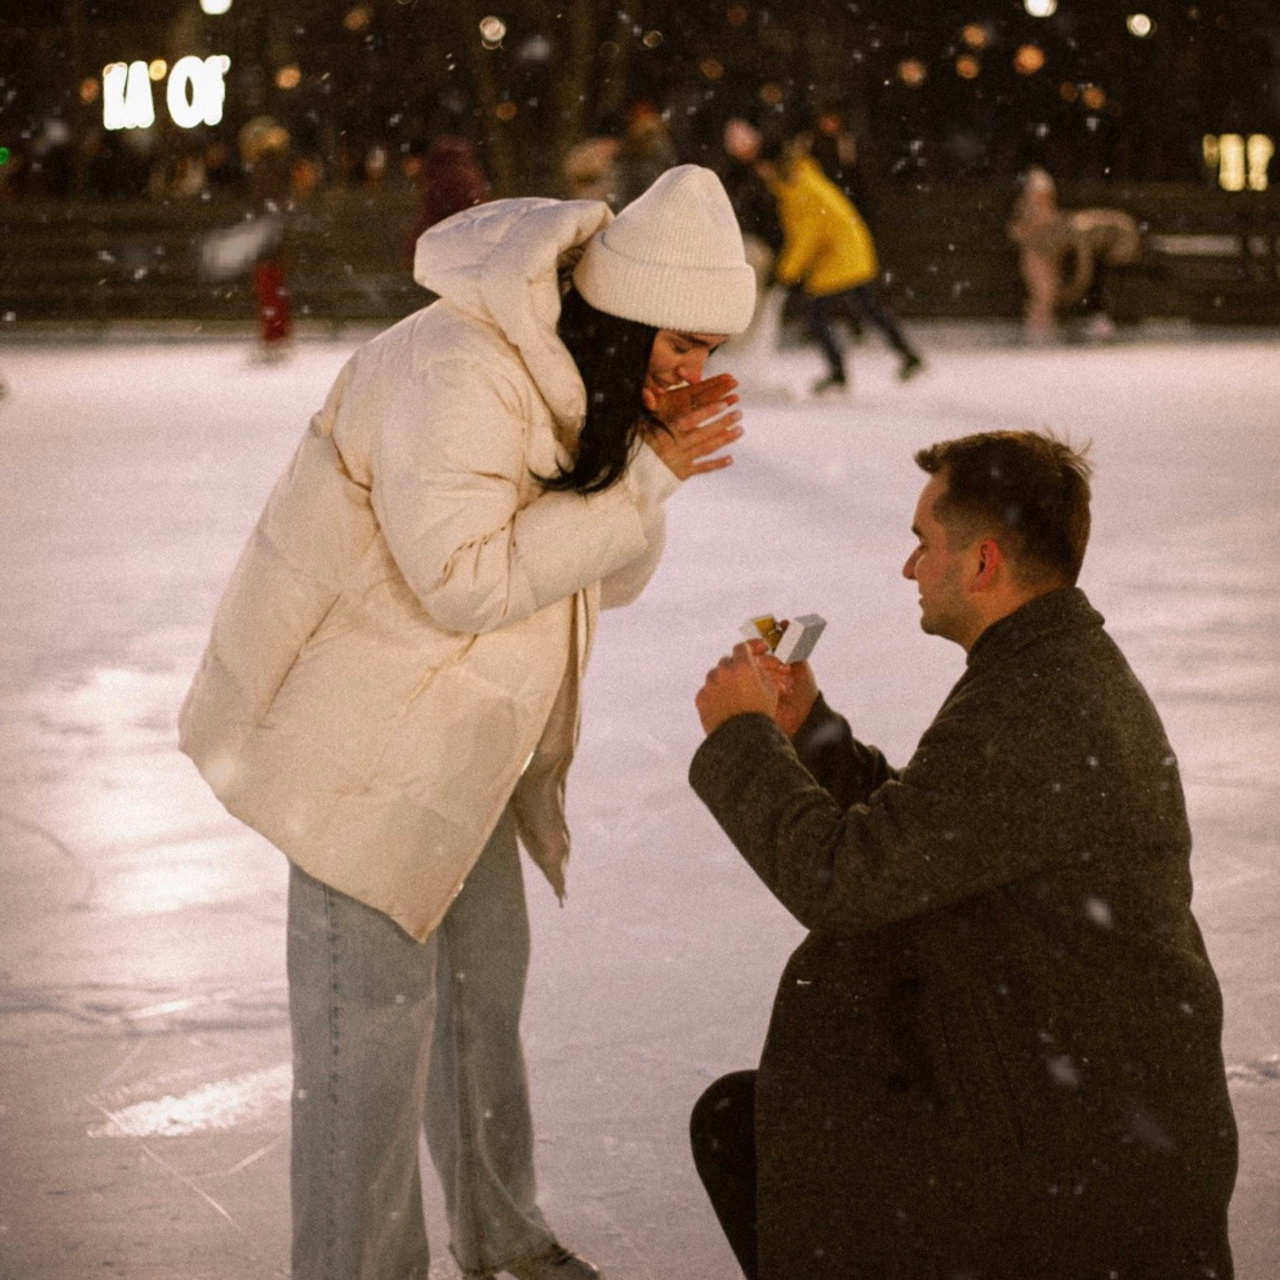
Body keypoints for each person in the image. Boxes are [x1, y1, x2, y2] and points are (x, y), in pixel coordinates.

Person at [178, 165, 756, 1280]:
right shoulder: (460, 370)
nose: (692, 370)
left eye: (706, 351)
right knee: (368, 1046)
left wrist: (645, 468)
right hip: (356, 744)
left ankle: (505, 1238)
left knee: (478, 1005)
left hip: (465, 741)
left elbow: (605, 580)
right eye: (680, 342)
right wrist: (641, 478)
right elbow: (462, 579)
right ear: (623, 313)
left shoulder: (573, 381)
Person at [686, 430, 1238, 1279]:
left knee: (763, 1135)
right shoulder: (1047, 669)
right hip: (1068, 1115)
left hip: (1075, 1164)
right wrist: (814, 736)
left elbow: (848, 881)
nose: (909, 569)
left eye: (921, 544)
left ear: (982, 563)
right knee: (749, 1125)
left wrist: (746, 740)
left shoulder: (1041, 702)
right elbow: (935, 834)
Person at [756, 137, 924, 395]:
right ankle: (907, 355)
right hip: (844, 253)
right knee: (868, 308)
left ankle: (839, 373)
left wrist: (785, 274)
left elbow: (806, 238)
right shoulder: (798, 182)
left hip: (840, 257)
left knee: (817, 314)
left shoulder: (802, 189)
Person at [403, 134, 492, 267]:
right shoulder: (454, 167)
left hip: (465, 247)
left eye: (408, 163)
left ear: (417, 159)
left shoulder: (441, 177)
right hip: (480, 241)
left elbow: (432, 216)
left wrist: (413, 251)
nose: (407, 169)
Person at [1007, 166, 1071, 342]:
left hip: (1049, 258)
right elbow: (1017, 232)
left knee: (1049, 295)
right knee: (1042, 295)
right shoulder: (1029, 212)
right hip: (1036, 258)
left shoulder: (1049, 213)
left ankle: (1043, 331)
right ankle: (1037, 333)